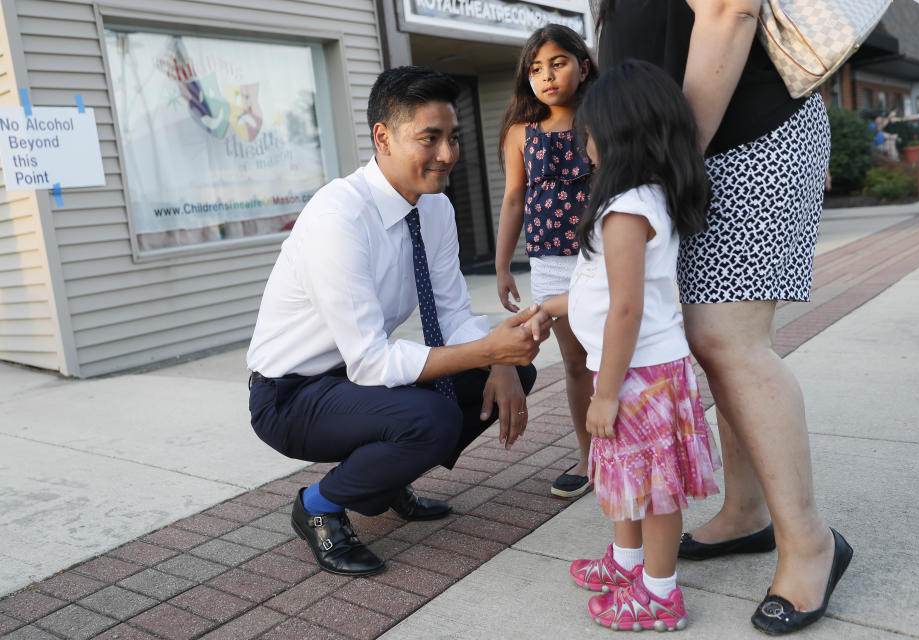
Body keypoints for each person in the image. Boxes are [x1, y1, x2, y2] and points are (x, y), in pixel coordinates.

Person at [596, 1, 852, 635]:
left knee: (726, 337)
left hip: (741, 136)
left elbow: (729, 9)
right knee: (714, 342)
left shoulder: (693, 148)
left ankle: (811, 544)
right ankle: (745, 512)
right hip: (700, 145)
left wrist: (676, 161)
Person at [246, 66, 553, 577]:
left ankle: (382, 484)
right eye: (429, 138)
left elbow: (453, 313)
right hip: (289, 395)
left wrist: (501, 357)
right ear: (382, 138)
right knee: (428, 419)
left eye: (452, 137)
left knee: (511, 375)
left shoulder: (434, 208)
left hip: (347, 380)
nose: (448, 154)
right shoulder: (338, 215)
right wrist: (489, 350)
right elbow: (370, 361)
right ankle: (319, 506)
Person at [532, 59, 718, 631]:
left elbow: (627, 308)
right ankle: (626, 563)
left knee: (655, 491)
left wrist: (604, 393)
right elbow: (601, 289)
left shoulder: (626, 208)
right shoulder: (641, 199)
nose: (583, 143)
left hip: (637, 375)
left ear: (615, 134)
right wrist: (550, 308)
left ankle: (660, 594)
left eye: (588, 132)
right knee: (629, 480)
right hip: (641, 371)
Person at [495, 24, 598, 499]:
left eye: (558, 63)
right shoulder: (522, 132)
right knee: (576, 363)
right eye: (536, 68)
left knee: (616, 358)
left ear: (584, 65)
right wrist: (502, 265)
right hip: (551, 262)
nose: (547, 76)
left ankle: (633, 447)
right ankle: (588, 454)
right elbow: (514, 199)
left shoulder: (601, 120)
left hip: (601, 254)